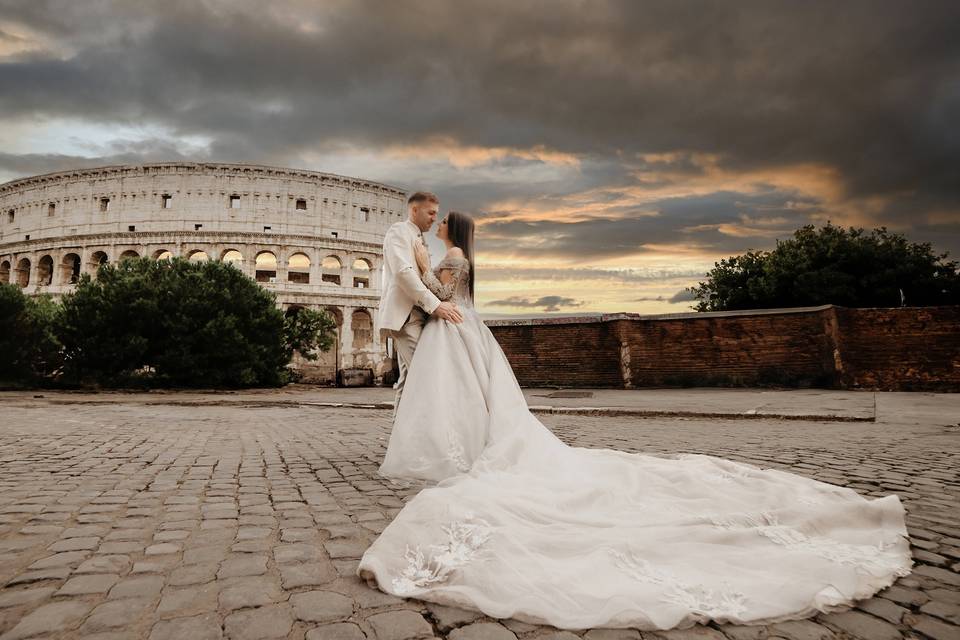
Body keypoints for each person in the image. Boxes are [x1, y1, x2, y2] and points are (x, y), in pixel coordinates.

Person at [359, 211, 913, 631]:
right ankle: (475, 445)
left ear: (449, 230)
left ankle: (469, 450)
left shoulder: (450, 259)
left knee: (459, 396)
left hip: (455, 327)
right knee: (480, 399)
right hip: (474, 329)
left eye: (438, 222)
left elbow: (441, 296)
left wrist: (426, 283)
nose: (432, 227)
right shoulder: (467, 255)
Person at [378, 191, 463, 413]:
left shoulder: (419, 239)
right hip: (407, 318)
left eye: (437, 214)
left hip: (419, 317)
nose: (435, 218)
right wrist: (435, 305)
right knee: (426, 377)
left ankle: (401, 442)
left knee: (408, 383)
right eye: (431, 212)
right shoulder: (398, 231)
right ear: (414, 210)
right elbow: (403, 272)